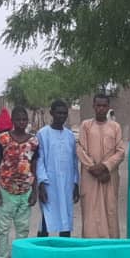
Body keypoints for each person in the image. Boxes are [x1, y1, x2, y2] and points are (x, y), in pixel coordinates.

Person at [0, 107, 39, 258]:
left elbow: (34, 165)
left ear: (27, 121)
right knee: (3, 227)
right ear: (12, 121)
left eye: (24, 120)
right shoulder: (3, 140)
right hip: (6, 188)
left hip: (25, 189)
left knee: (23, 227)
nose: (21, 123)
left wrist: (35, 191)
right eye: (18, 119)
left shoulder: (33, 142)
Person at [78, 94, 126, 238]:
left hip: (109, 177)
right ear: (93, 106)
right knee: (90, 212)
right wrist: (95, 169)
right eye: (98, 105)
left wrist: (106, 167)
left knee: (110, 210)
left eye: (104, 105)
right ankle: (90, 246)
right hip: (90, 176)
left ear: (108, 107)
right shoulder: (86, 125)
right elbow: (80, 149)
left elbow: (121, 151)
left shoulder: (115, 127)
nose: (101, 108)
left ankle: (111, 246)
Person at [36, 100, 80, 238]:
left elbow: (74, 161)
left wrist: (75, 183)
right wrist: (41, 183)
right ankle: (42, 248)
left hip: (67, 183)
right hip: (49, 182)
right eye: (59, 113)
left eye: (64, 113)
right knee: (47, 214)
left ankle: (64, 249)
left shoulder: (70, 136)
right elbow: (39, 160)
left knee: (65, 215)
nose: (62, 116)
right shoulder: (43, 134)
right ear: (51, 113)